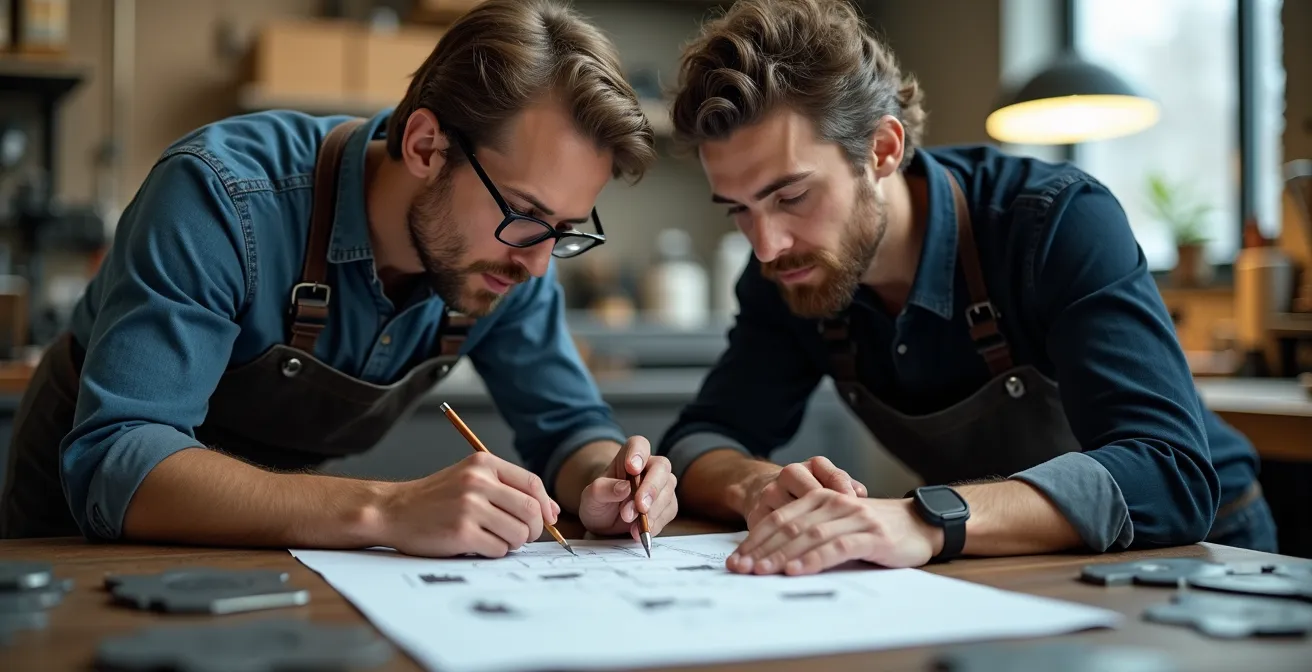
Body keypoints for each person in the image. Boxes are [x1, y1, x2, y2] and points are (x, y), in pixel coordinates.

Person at [0, 0, 679, 556]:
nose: (536, 264)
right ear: (423, 147)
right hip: (79, 545)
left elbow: (568, 425)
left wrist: (608, 479)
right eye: (526, 215)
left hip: (278, 547)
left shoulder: (507, 260)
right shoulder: (222, 196)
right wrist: (388, 507)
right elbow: (120, 460)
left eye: (564, 229)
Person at [658, 0, 1275, 575]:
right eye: (736, 209)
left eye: (790, 196)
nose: (765, 245)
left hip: (1204, 548)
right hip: (1018, 559)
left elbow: (1169, 478)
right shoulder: (788, 271)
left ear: (881, 149)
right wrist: (754, 483)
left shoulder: (1053, 223)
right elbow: (701, 438)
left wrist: (924, 518)